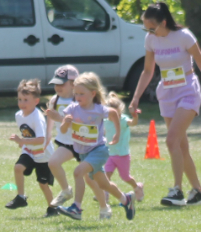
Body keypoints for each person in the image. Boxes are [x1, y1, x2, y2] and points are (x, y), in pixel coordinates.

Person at [128, 2, 201, 208]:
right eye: (146, 29)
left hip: (188, 89)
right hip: (167, 92)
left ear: (164, 22)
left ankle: (177, 191)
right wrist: (135, 98)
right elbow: (147, 71)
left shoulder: (184, 36)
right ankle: (198, 192)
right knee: (181, 144)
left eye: (152, 27)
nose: (149, 32)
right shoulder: (151, 39)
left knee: (171, 140)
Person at [55, 73, 136, 222]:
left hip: (99, 150)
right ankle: (126, 200)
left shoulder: (98, 109)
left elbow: (113, 113)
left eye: (81, 94)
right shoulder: (73, 108)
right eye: (76, 93)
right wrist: (65, 123)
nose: (78, 97)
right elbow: (63, 130)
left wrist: (117, 134)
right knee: (103, 183)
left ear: (93, 94)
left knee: (78, 172)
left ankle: (76, 208)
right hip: (84, 153)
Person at [6, 78, 54, 211]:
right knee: (18, 168)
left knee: (43, 184)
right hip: (29, 151)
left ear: (36, 101)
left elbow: (40, 139)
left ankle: (53, 208)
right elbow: (27, 134)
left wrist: (22, 141)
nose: (22, 103)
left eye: (26, 100)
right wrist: (23, 144)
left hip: (43, 154)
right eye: (20, 99)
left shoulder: (37, 117)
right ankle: (21, 197)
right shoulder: (18, 115)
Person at [44, 64, 79, 212]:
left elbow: (79, 124)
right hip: (66, 143)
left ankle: (107, 201)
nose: (57, 87)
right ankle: (66, 190)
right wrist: (48, 135)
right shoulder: (55, 99)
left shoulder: (79, 100)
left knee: (93, 178)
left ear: (73, 84)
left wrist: (59, 118)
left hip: (82, 143)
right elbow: (51, 118)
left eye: (61, 83)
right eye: (55, 83)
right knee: (53, 162)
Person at [102, 94, 143, 203]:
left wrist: (135, 116)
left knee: (125, 177)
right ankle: (104, 195)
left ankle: (137, 187)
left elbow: (133, 123)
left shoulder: (124, 120)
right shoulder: (106, 121)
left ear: (119, 111)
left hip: (122, 154)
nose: (112, 116)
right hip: (109, 154)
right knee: (107, 175)